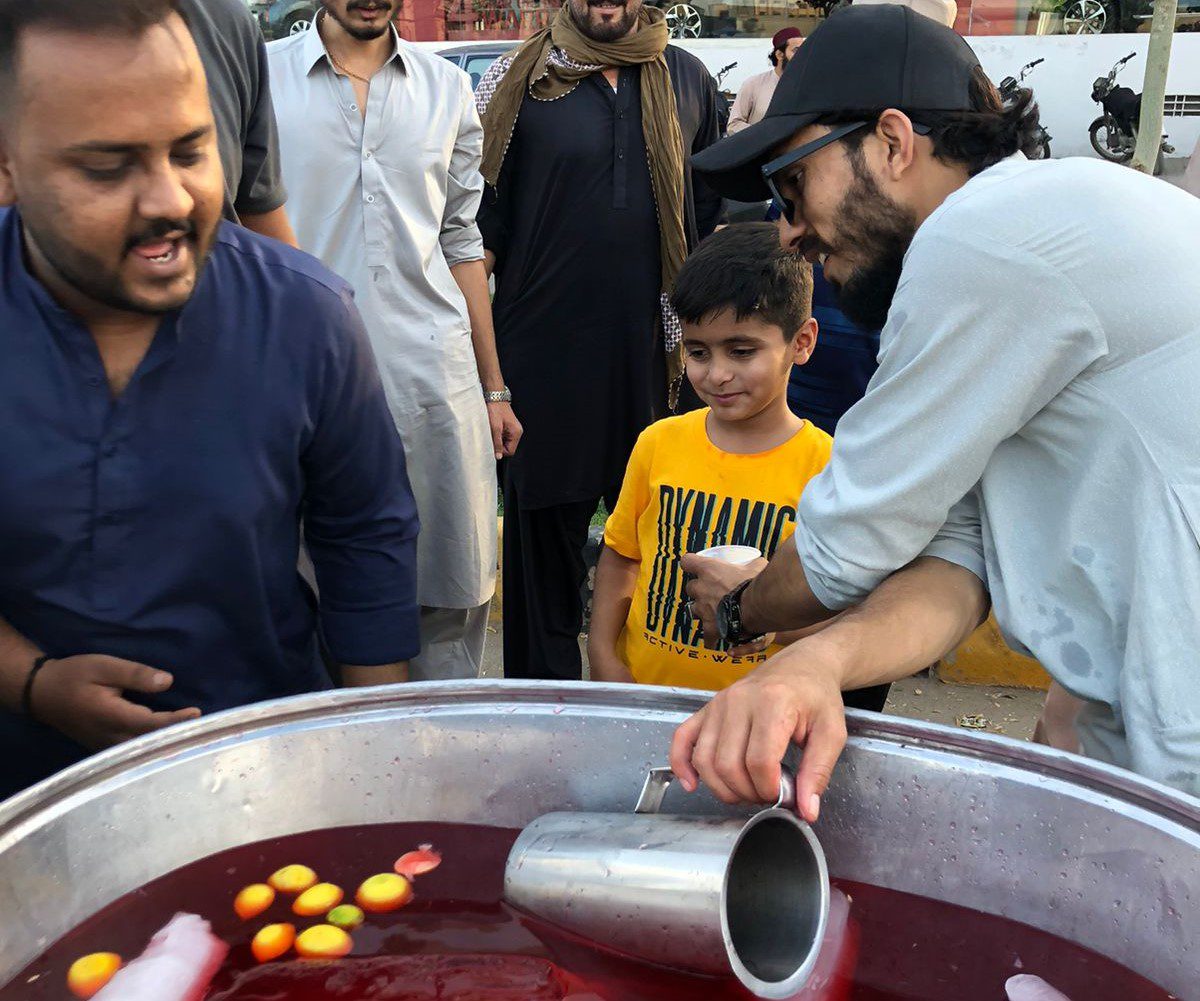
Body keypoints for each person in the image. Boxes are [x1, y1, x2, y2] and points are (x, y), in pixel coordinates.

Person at [669, 4, 1200, 820]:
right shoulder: (1026, 239)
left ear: (891, 141)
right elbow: (959, 563)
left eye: (791, 183)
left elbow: (844, 550)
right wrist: (813, 664)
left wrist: (744, 608)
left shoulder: (979, 241)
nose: (789, 233)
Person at [0, 0, 420, 798]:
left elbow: (366, 544)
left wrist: (378, 782)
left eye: (190, 151)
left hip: (261, 788)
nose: (170, 200)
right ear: (8, 162)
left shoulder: (307, 318)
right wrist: (33, 683)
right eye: (106, 166)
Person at [268, 1, 520, 681]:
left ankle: (443, 773)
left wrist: (493, 386)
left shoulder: (446, 89)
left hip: (433, 377)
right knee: (314, 596)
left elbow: (462, 239)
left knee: (450, 590)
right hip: (304, 387)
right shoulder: (263, 80)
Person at [476, 0, 723, 683]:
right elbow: (477, 237)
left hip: (656, 361)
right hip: (540, 365)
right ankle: (542, 725)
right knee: (541, 572)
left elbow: (712, 226)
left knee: (658, 558)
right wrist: (487, 378)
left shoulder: (689, 78)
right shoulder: (519, 78)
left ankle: (644, 721)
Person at [590, 224, 866, 700]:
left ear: (801, 342)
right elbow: (622, 554)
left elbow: (841, 614)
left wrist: (763, 621)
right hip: (645, 696)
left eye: (741, 351)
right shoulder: (659, 442)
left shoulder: (828, 469)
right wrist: (603, 655)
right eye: (698, 352)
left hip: (760, 714)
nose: (716, 374)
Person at [181, 0, 297, 245]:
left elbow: (258, 205)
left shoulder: (226, 18)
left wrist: (308, 282)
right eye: (105, 166)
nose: (175, 202)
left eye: (187, 156)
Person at [727, 28, 803, 135]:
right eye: (796, 51)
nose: (802, 55)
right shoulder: (753, 84)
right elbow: (734, 125)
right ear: (780, 54)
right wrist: (763, 134)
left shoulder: (807, 86)